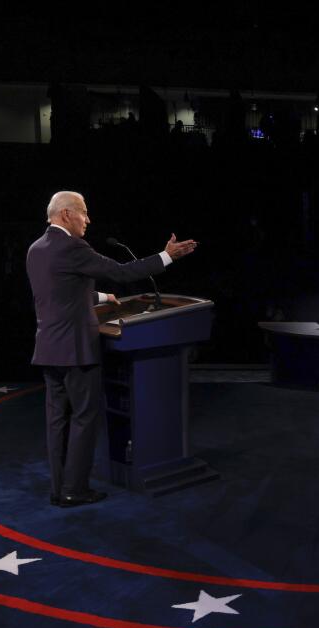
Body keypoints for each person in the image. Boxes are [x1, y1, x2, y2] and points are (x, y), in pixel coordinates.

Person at [26, 191, 197, 508]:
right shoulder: (73, 246)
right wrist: (167, 256)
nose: (88, 220)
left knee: (56, 421)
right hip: (76, 350)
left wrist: (103, 298)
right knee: (83, 418)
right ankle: (74, 490)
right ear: (66, 214)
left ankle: (58, 487)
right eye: (84, 213)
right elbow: (121, 271)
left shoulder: (36, 249)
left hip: (49, 349)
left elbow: (59, 294)